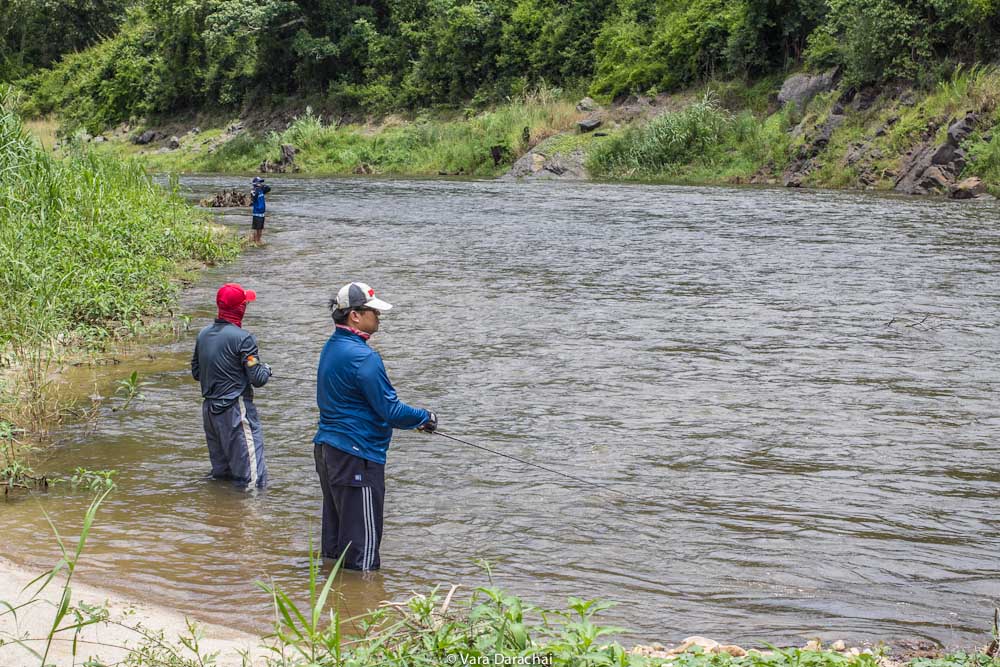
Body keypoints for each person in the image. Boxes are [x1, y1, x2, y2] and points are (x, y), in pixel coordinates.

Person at [313, 281, 437, 570]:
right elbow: (390, 410)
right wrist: (424, 417)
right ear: (354, 315)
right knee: (363, 549)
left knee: (335, 541)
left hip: (328, 449)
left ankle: (331, 601)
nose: (378, 317)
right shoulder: (364, 357)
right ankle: (362, 603)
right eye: (374, 311)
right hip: (357, 457)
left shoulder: (332, 347)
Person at [191, 283, 272, 489]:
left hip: (209, 412)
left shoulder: (203, 335)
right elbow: (258, 378)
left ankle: (223, 516)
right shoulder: (244, 339)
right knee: (253, 477)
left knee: (222, 476)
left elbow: (196, 372)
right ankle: (251, 519)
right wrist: (267, 369)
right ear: (240, 309)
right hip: (236, 410)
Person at [250, 176, 271, 244]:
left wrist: (262, 186)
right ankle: (255, 241)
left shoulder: (261, 190)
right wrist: (256, 187)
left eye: (261, 182)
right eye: (259, 182)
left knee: (260, 229)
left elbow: (269, 188)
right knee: (256, 229)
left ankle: (258, 240)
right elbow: (253, 196)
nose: (261, 184)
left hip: (262, 214)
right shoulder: (254, 191)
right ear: (256, 183)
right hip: (257, 213)